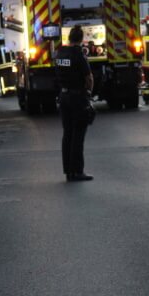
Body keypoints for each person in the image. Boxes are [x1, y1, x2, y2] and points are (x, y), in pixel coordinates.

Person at [55, 25, 94, 182]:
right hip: (77, 97)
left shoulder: (61, 54)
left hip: (64, 96)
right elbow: (89, 78)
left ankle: (68, 172)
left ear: (69, 37)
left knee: (67, 134)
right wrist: (89, 93)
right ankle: (78, 171)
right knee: (78, 136)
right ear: (81, 38)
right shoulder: (79, 55)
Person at [0, 33, 16, 97]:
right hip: (10, 66)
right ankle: (12, 92)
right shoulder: (8, 46)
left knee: (3, 80)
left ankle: (4, 93)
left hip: (1, 67)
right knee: (11, 79)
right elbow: (13, 54)